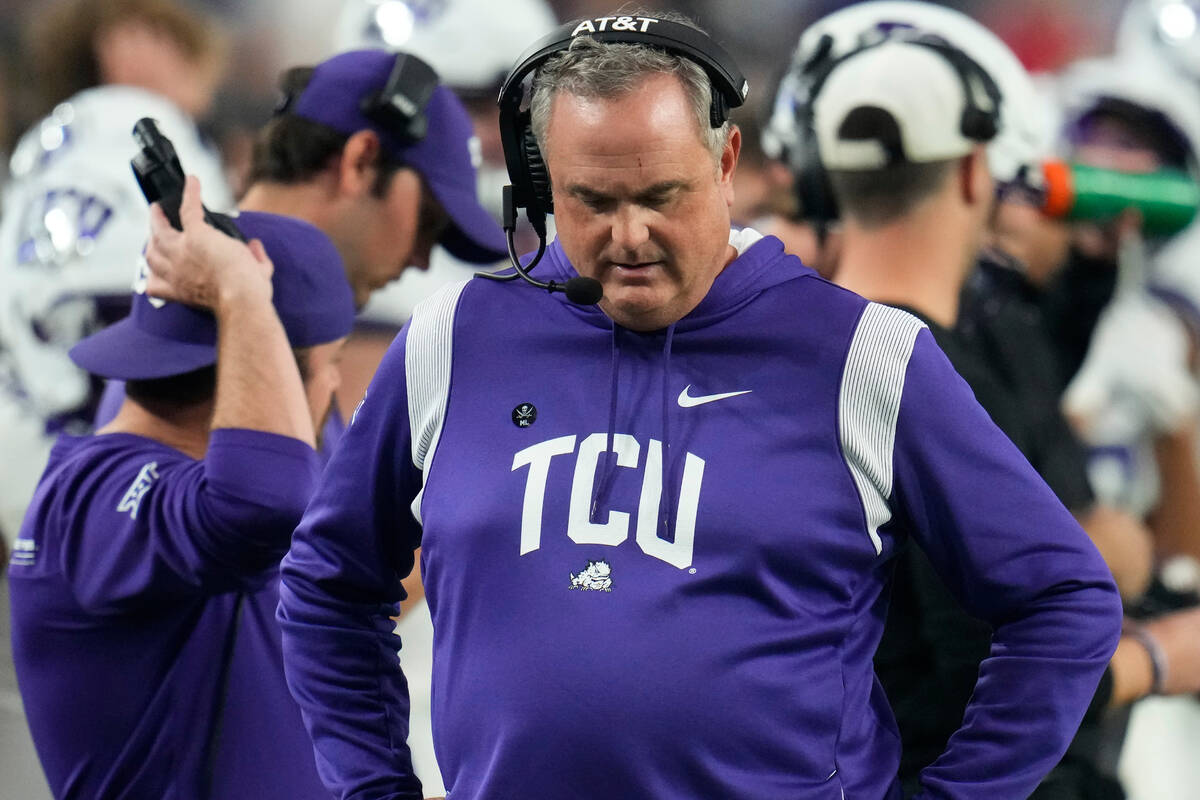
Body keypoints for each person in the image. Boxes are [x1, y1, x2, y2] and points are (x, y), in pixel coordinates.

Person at [276, 11, 1123, 799]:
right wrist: (373, 786)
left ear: (725, 165)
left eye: (660, 197)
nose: (629, 235)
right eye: (593, 202)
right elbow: (325, 585)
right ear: (538, 188)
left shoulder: (863, 353)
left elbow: (1064, 599)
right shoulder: (454, 338)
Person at [7, 179, 355, 799]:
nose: (334, 386)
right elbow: (264, 502)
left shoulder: (189, 498)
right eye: (330, 361)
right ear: (257, 371)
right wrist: (243, 296)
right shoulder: (86, 499)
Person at [0, 0, 232, 553]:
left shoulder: (58, 143)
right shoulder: (124, 129)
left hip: (47, 486)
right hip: (109, 496)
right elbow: (103, 310)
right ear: (136, 41)